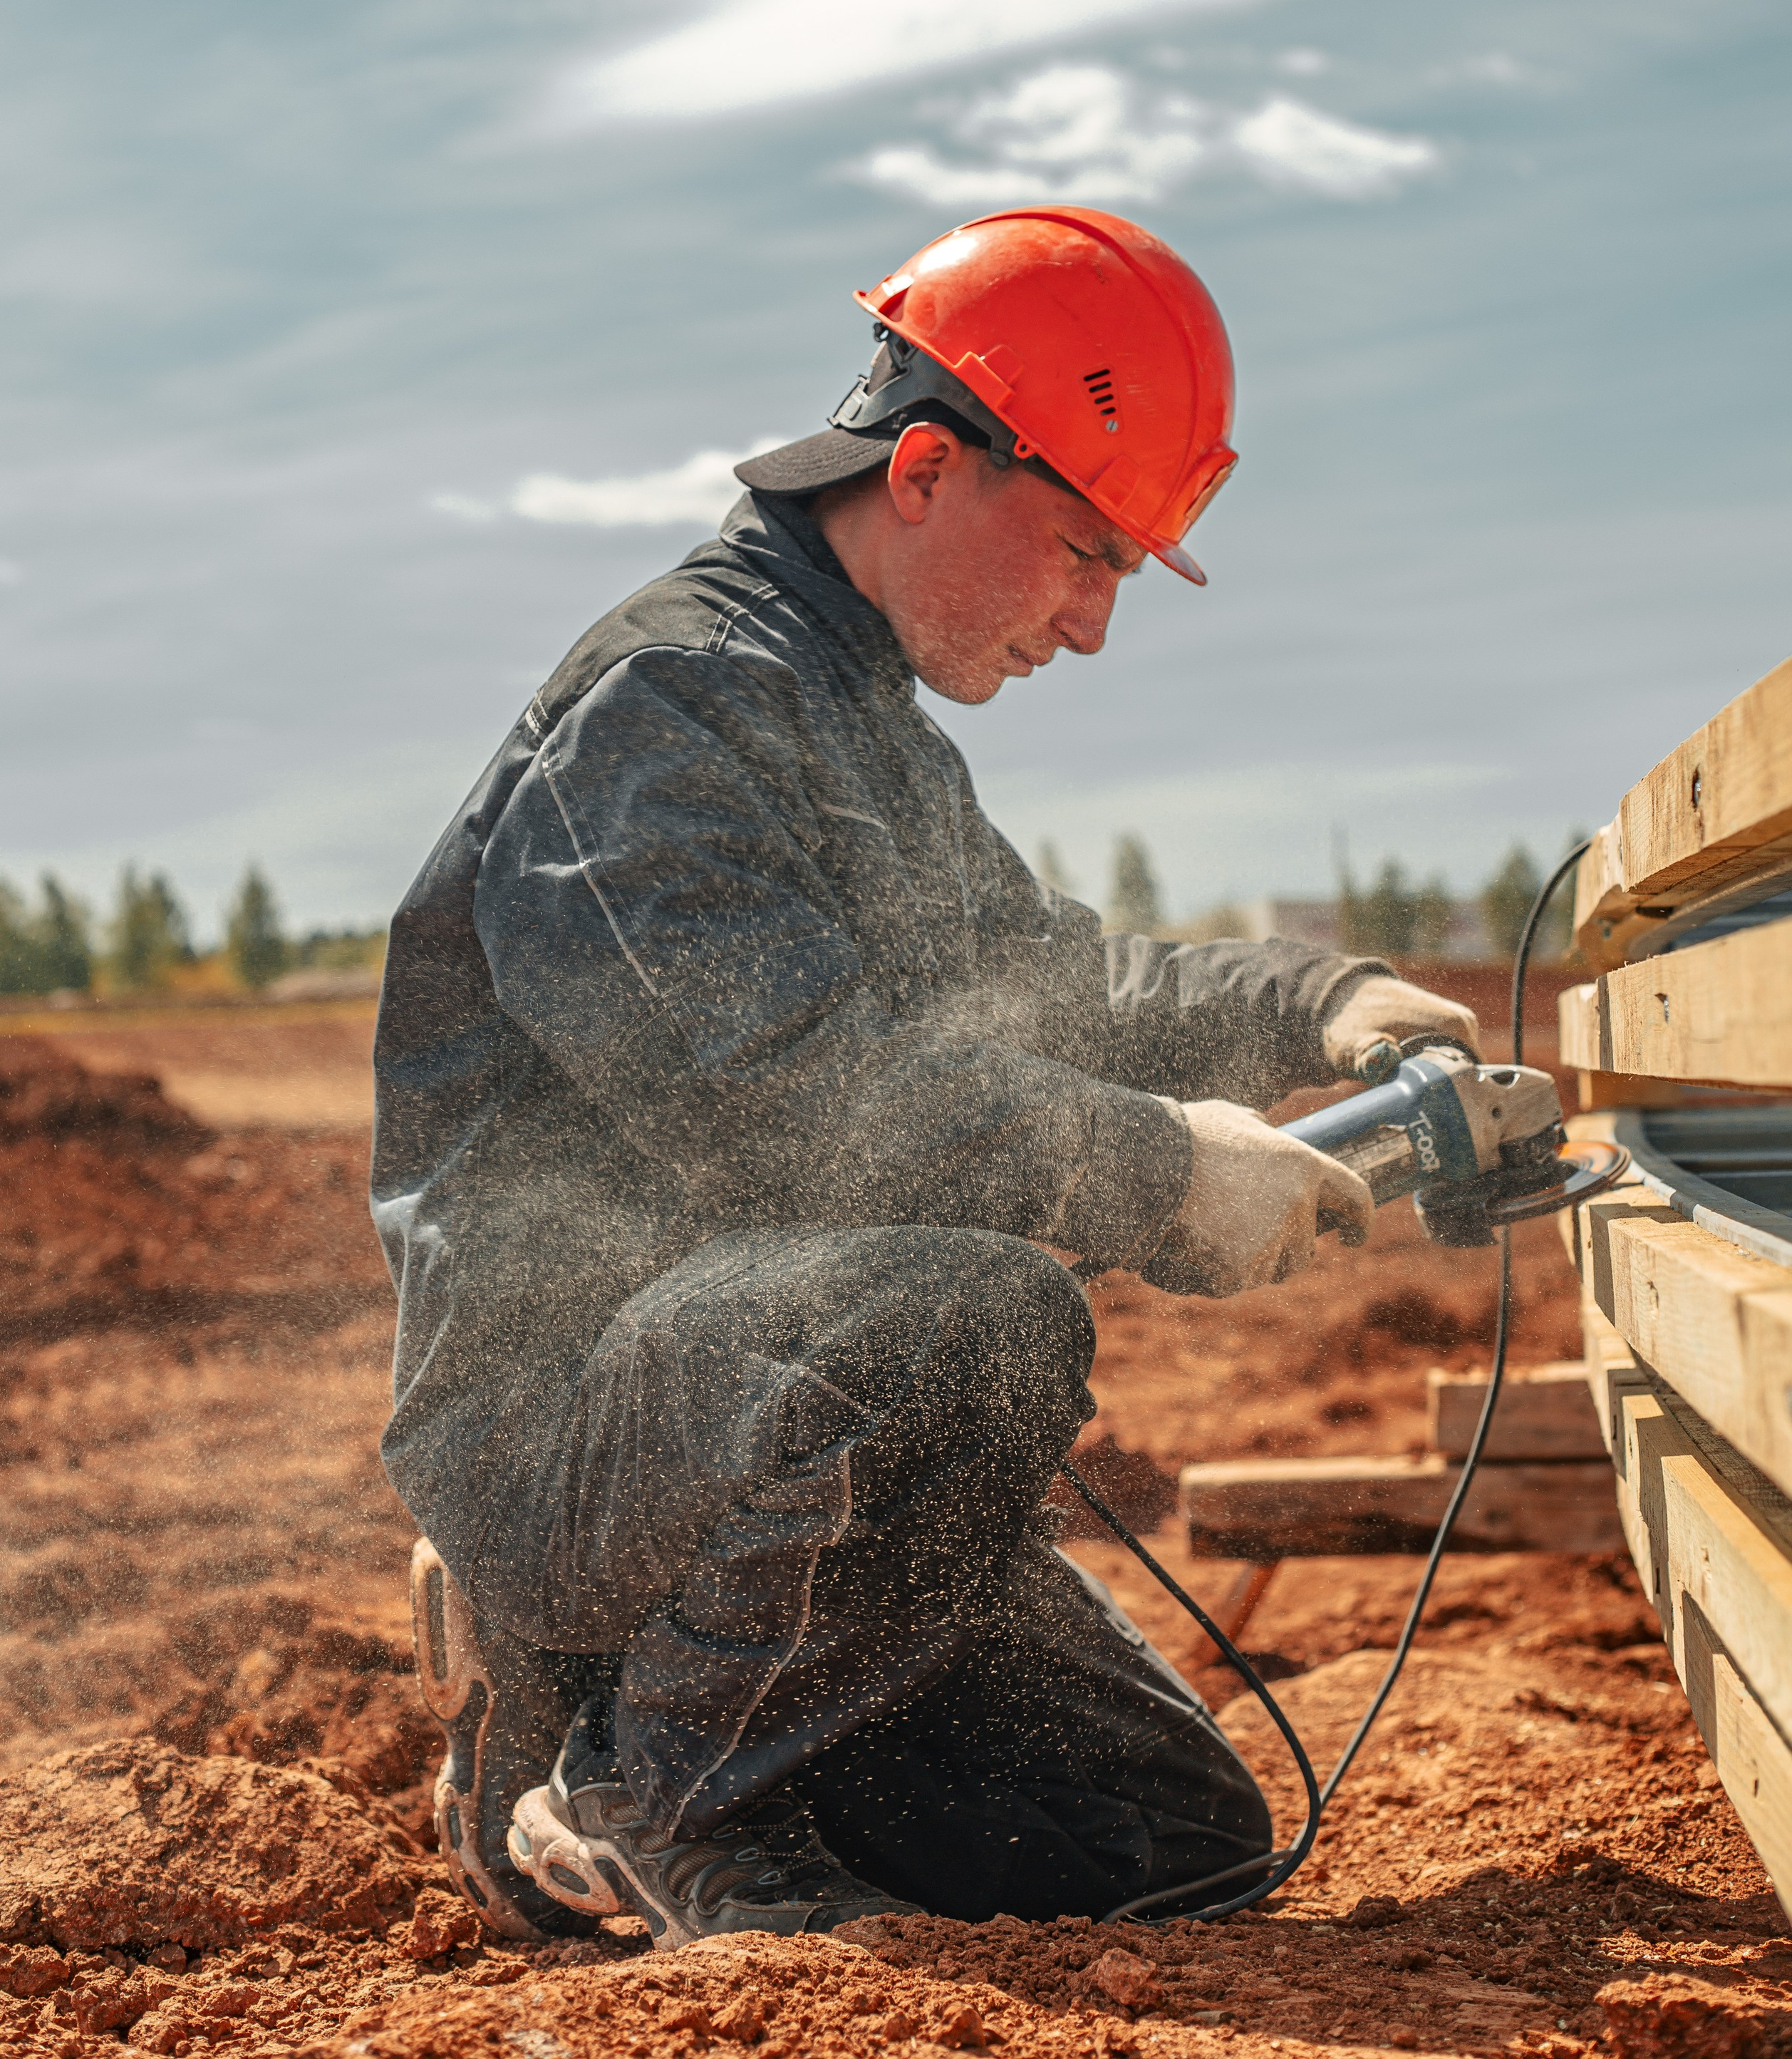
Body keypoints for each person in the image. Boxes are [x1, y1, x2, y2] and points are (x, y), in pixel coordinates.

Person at [371, 206, 1478, 1949]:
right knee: (968, 1316)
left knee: (1159, 1848)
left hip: (773, 1419)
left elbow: (1048, 992)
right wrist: (1160, 1175)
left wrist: (1313, 997)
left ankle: (599, 1709)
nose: (1092, 623)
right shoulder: (672, 704)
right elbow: (786, 1100)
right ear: (926, 468)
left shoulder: (855, 721)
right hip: (570, 1423)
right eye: (1082, 553)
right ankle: (641, 1792)